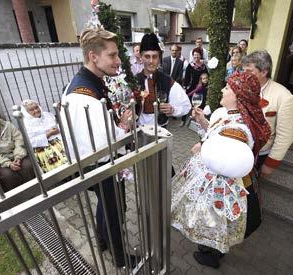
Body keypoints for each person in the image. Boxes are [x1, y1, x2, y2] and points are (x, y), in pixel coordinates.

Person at [172, 71, 271, 269]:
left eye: (227, 88)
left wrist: (204, 146)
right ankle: (209, 247)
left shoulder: (239, 128)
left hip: (223, 184)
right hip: (216, 177)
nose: (223, 90)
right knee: (215, 218)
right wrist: (202, 123)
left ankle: (212, 254)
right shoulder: (230, 114)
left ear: (238, 96)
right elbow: (217, 133)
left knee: (217, 220)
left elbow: (226, 155)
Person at [60, 27, 136, 268]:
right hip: (100, 165)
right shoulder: (84, 96)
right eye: (112, 55)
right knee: (115, 211)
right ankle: (120, 258)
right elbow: (104, 145)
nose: (118, 60)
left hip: (94, 162)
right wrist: (124, 127)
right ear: (94, 57)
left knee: (109, 205)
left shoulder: (87, 80)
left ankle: (102, 240)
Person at [242, 50, 293, 177]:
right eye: (243, 70)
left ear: (264, 72)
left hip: (260, 155)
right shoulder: (241, 87)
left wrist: (270, 164)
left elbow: (285, 136)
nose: (244, 75)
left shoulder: (284, 97)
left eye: (249, 71)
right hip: (238, 150)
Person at [136, 33, 191, 127]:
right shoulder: (134, 81)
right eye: (147, 56)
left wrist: (172, 109)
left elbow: (186, 106)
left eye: (155, 56)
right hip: (139, 131)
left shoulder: (167, 80)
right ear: (141, 57)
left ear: (159, 58)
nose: (151, 61)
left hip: (161, 130)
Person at [21, 100, 67, 173]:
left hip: (58, 139)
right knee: (54, 156)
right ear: (26, 112)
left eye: (36, 107)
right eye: (31, 110)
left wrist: (58, 129)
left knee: (69, 145)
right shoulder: (26, 124)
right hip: (42, 147)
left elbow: (58, 126)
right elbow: (30, 142)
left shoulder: (48, 115)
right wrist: (49, 134)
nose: (36, 110)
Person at [181, 47, 208, 126]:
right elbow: (186, 78)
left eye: (198, 55)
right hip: (191, 88)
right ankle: (183, 120)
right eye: (194, 55)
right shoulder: (190, 65)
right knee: (187, 104)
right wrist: (185, 87)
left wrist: (204, 84)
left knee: (200, 105)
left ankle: (198, 121)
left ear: (201, 56)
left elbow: (206, 76)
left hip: (200, 89)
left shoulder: (203, 66)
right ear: (192, 56)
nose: (196, 57)